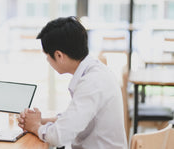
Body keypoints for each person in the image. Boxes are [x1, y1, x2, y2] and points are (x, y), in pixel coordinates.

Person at [17, 16, 128, 149]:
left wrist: (35, 127)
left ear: (59, 55)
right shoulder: (93, 71)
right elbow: (73, 119)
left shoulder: (92, 82)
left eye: (47, 56)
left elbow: (58, 137)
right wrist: (40, 121)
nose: (47, 60)